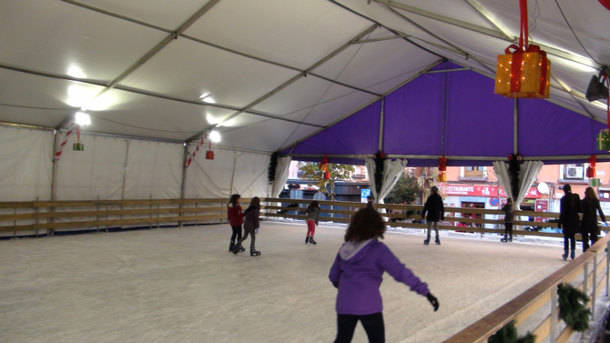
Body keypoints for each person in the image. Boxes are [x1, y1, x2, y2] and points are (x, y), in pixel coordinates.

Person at [328, 207, 439, 343]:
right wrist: (426, 292)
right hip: (369, 305)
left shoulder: (345, 248)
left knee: (342, 339)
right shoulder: (378, 250)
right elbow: (401, 272)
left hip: (345, 304)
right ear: (377, 225)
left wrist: (347, 288)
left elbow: (333, 276)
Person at [581, 187, 606, 251]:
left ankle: (585, 250)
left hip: (585, 222)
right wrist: (603, 219)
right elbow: (600, 211)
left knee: (585, 239)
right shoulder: (596, 200)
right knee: (594, 239)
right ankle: (592, 252)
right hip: (593, 222)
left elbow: (581, 210)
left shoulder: (584, 201)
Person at [559, 184, 581, 260]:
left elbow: (562, 212)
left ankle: (566, 253)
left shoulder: (563, 199)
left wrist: (560, 222)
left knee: (566, 238)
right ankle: (573, 253)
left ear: (564, 190)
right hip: (574, 220)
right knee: (572, 237)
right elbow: (580, 209)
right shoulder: (576, 197)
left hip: (566, 220)